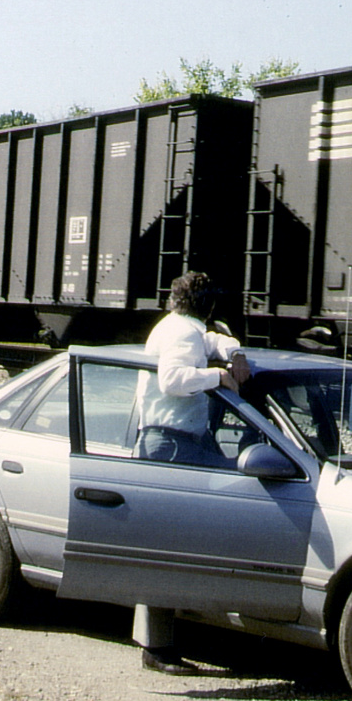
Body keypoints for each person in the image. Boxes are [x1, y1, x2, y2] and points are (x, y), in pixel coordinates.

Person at [134, 270, 250, 674]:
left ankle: (167, 640)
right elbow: (172, 380)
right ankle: (157, 649)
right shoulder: (183, 334)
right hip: (170, 445)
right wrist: (218, 375)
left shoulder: (179, 327)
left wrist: (233, 351)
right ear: (210, 306)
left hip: (180, 441)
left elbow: (212, 339)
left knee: (176, 539)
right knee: (166, 544)